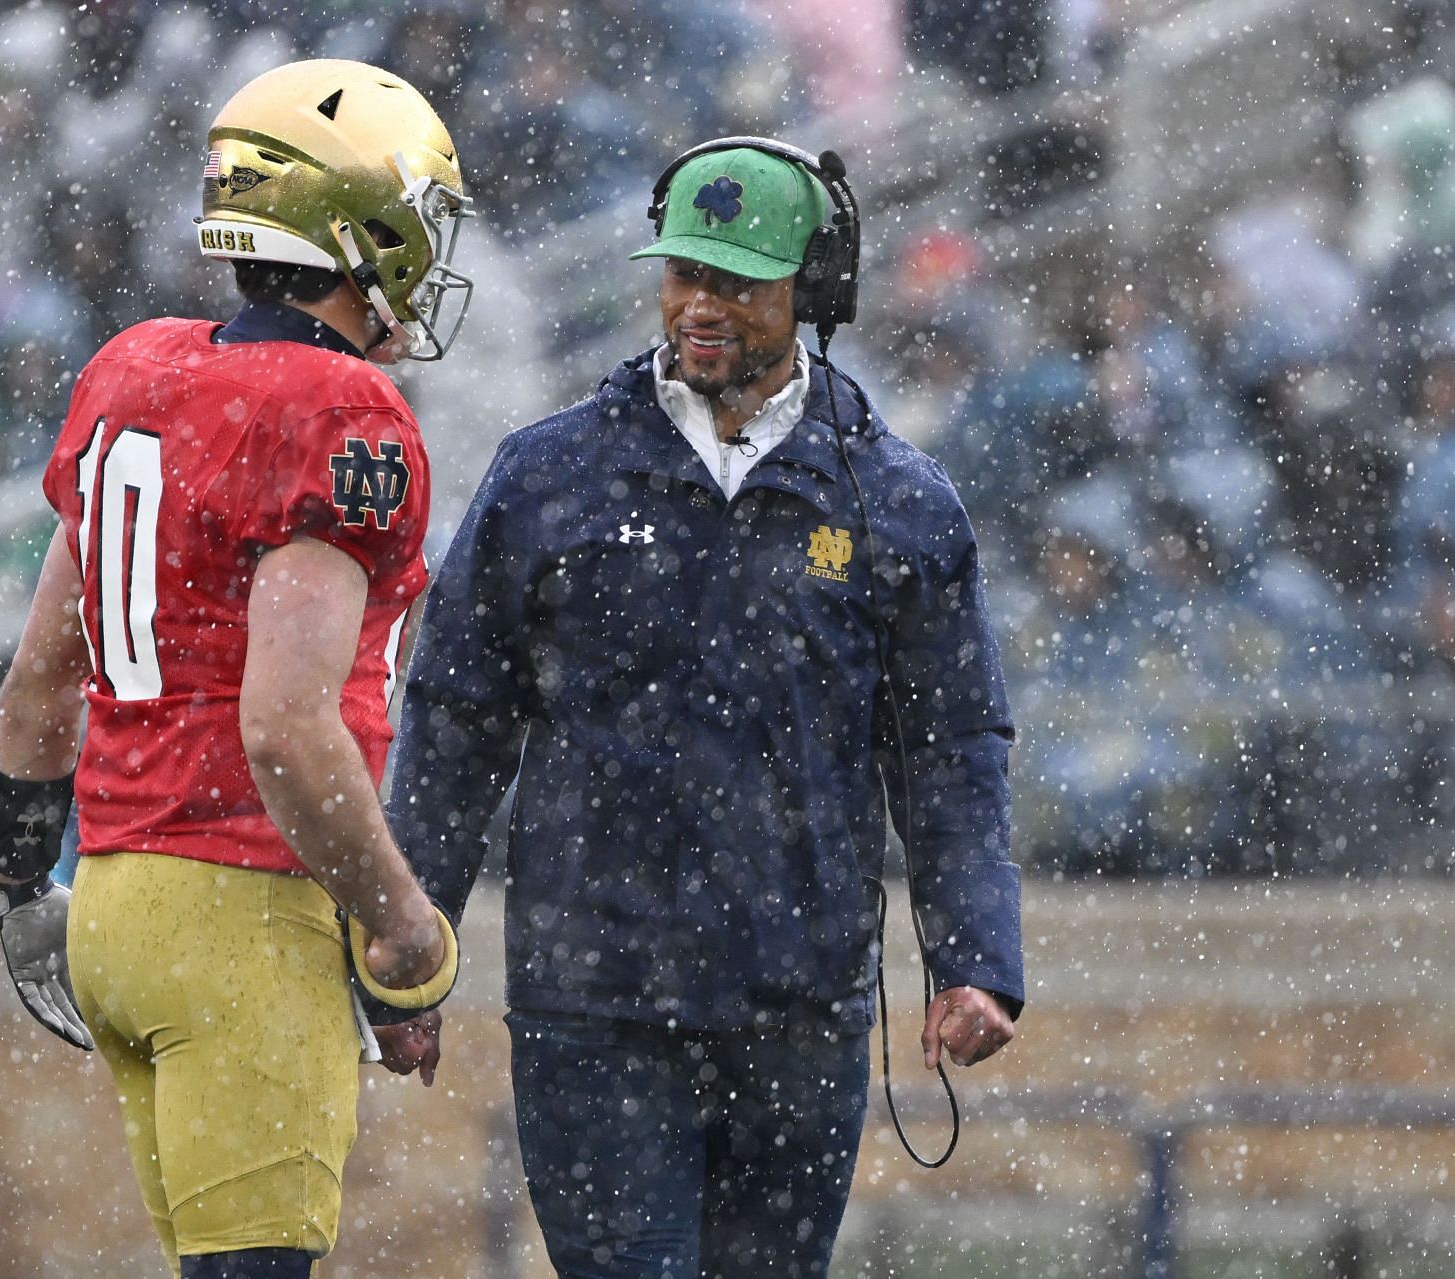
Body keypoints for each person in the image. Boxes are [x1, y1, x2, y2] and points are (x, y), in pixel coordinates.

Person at [380, 139, 1024, 1277]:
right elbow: (453, 722)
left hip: (803, 1010)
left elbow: (951, 751)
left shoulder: (900, 505)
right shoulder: (545, 478)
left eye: (739, 279)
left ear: (813, 290)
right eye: (686, 273)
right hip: (594, 1007)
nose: (702, 306)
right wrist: (404, 957)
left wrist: (974, 953)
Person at [0, 59, 474, 1279]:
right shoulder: (342, 406)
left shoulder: (135, 367)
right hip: (243, 915)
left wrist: (15, 883)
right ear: (363, 225)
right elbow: (289, 729)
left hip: (109, 906)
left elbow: (41, 681)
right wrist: (404, 931)